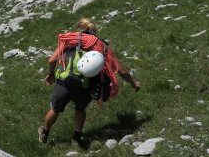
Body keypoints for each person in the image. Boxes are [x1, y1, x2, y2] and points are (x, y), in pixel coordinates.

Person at [39, 18, 141, 147]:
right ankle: (76, 138)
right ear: (94, 30)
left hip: (64, 81)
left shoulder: (70, 39)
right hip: (85, 85)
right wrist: (134, 84)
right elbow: (122, 71)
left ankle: (44, 133)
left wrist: (51, 74)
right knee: (80, 109)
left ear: (78, 28)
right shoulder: (101, 46)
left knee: (55, 109)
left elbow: (51, 60)